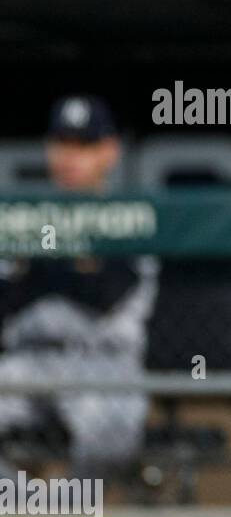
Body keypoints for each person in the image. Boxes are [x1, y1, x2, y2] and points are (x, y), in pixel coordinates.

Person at [0, 97, 158, 480]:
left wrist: (38, 268)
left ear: (109, 152)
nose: (70, 157)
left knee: (108, 427)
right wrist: (67, 267)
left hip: (102, 364)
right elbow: (6, 298)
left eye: (84, 146)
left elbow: (103, 292)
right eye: (62, 144)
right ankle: (20, 514)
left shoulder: (130, 216)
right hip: (28, 360)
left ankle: (74, 512)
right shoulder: (23, 215)